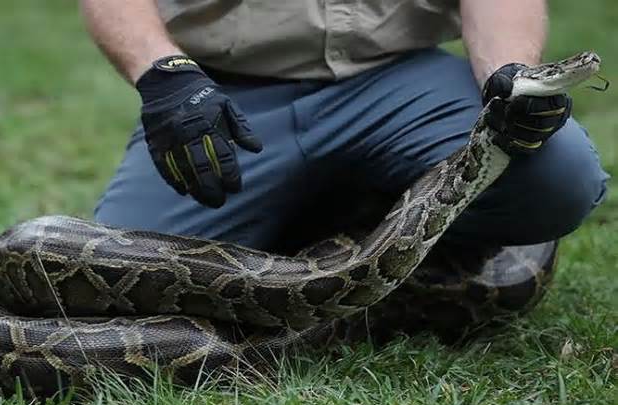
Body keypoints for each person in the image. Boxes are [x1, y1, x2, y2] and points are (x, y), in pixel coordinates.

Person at [81, 0, 608, 253]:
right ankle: (347, 213)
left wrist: (507, 71)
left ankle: (345, 222)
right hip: (229, 98)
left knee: (557, 176)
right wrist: (161, 71)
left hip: (399, 81)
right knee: (123, 268)